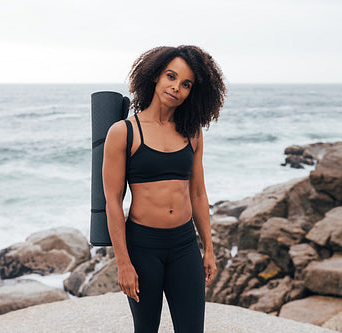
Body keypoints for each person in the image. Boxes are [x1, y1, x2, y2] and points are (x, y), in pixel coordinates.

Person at [102, 45, 226, 333]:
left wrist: (208, 248)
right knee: (146, 329)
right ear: (156, 76)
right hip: (143, 247)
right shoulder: (124, 132)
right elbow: (112, 201)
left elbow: (197, 193)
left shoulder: (192, 132)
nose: (176, 88)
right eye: (171, 76)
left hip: (184, 244)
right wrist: (123, 263)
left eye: (186, 84)